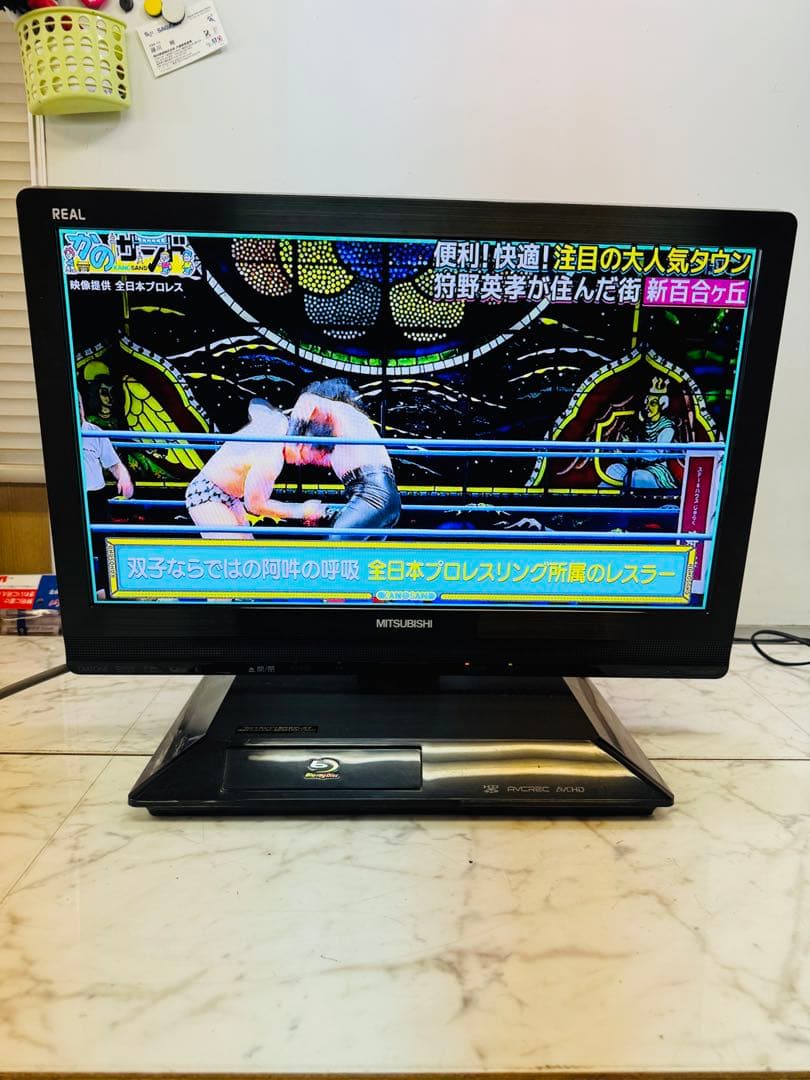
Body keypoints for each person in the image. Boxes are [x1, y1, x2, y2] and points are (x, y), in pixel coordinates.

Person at [185, 398, 323, 540]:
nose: (301, 462)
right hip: (207, 494)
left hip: (229, 496)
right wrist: (300, 510)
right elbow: (255, 506)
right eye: (305, 457)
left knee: (248, 547)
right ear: (302, 443)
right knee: (234, 551)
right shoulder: (271, 458)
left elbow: (255, 403)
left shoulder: (278, 420)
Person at [285, 379, 401, 540]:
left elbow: (307, 399)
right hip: (382, 496)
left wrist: (291, 441)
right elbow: (315, 456)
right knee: (363, 555)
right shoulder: (346, 435)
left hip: (372, 494)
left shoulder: (340, 410)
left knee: (333, 547)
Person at [80, 396, 134, 519]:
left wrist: (124, 478)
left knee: (101, 528)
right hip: (70, 494)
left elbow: (113, 463)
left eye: (79, 404)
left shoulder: (95, 432)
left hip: (95, 495)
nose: (77, 408)